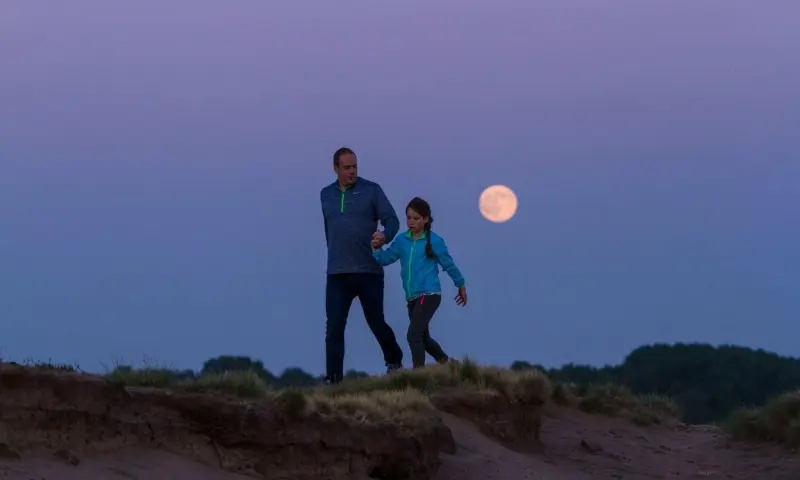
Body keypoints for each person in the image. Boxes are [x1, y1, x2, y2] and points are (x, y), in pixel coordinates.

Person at [320, 147, 405, 384]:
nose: (352, 171)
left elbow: (392, 220)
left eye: (355, 166)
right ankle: (334, 379)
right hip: (337, 272)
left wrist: (384, 236)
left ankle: (394, 360)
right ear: (335, 168)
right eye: (347, 167)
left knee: (376, 322)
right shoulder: (325, 195)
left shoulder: (372, 190)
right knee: (334, 327)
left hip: (369, 270)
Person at [371, 197, 467, 369]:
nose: (411, 222)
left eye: (416, 218)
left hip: (429, 295)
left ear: (426, 219)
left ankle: (419, 377)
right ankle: (451, 366)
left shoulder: (434, 241)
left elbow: (448, 264)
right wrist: (377, 248)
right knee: (423, 339)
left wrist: (460, 285)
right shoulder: (402, 241)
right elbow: (385, 259)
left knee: (413, 336)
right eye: (408, 217)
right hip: (412, 297)